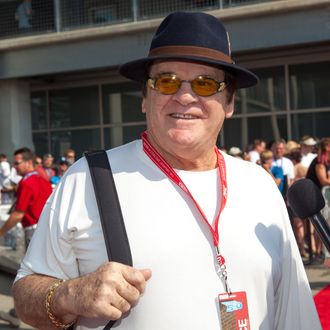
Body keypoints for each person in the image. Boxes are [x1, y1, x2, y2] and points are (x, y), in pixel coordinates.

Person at [12, 12, 320, 330]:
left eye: (205, 83)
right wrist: (68, 295)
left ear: (229, 103)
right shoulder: (87, 178)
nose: (185, 96)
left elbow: (294, 312)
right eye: (166, 81)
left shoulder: (259, 185)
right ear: (145, 98)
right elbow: (24, 293)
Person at [0, 147, 52, 328]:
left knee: (27, 276)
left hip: (33, 231)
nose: (14, 166)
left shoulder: (26, 183)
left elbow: (18, 214)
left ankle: (19, 313)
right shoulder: (43, 181)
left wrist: (1, 232)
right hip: (48, 229)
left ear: (28, 162)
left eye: (17, 162)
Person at [305, 137, 330, 264]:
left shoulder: (325, 160)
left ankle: (320, 252)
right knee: (320, 225)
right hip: (314, 197)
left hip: (321, 197)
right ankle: (317, 253)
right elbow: (324, 181)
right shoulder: (320, 161)